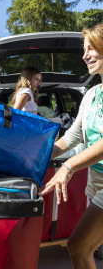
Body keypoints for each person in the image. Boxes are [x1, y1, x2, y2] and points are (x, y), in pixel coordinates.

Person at [41, 23, 103, 269]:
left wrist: (68, 167)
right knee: (82, 247)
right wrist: (38, 156)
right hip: (97, 183)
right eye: (84, 49)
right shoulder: (91, 94)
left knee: (79, 247)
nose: (84, 55)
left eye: (92, 48)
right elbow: (72, 137)